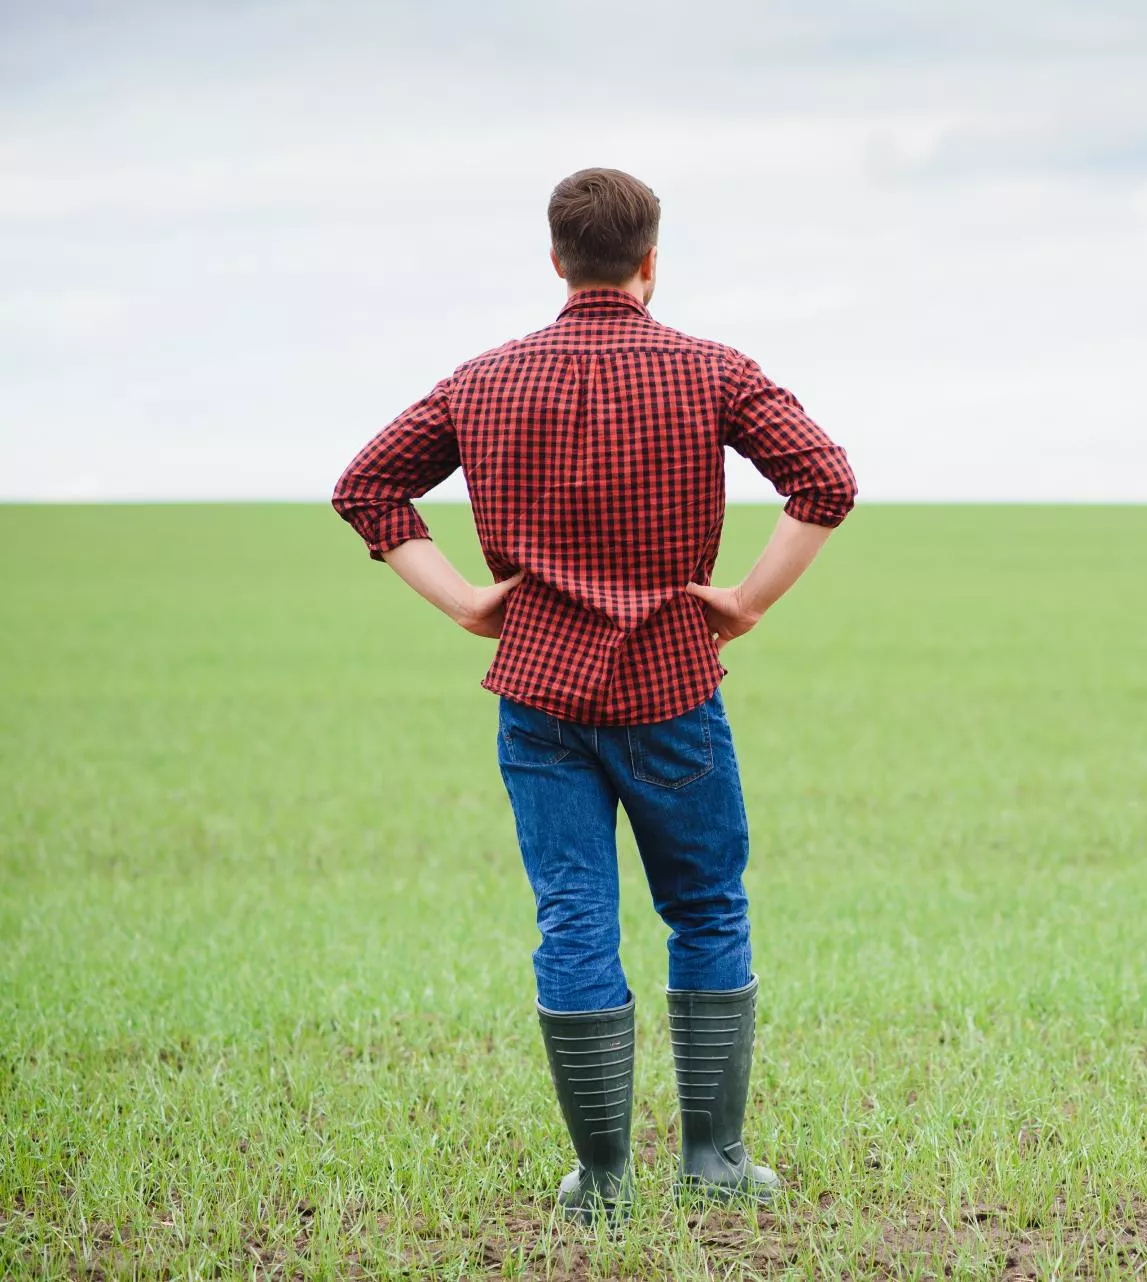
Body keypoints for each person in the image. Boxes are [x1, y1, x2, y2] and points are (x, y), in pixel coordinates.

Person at [332, 167, 855, 1220]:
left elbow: (366, 487)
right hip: (671, 690)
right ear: (651, 262)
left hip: (538, 698)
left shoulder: (482, 381)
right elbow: (825, 480)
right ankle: (710, 1163)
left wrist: (469, 603)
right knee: (706, 906)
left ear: (558, 260)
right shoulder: (711, 369)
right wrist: (747, 601)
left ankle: (604, 1180)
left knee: (574, 916)